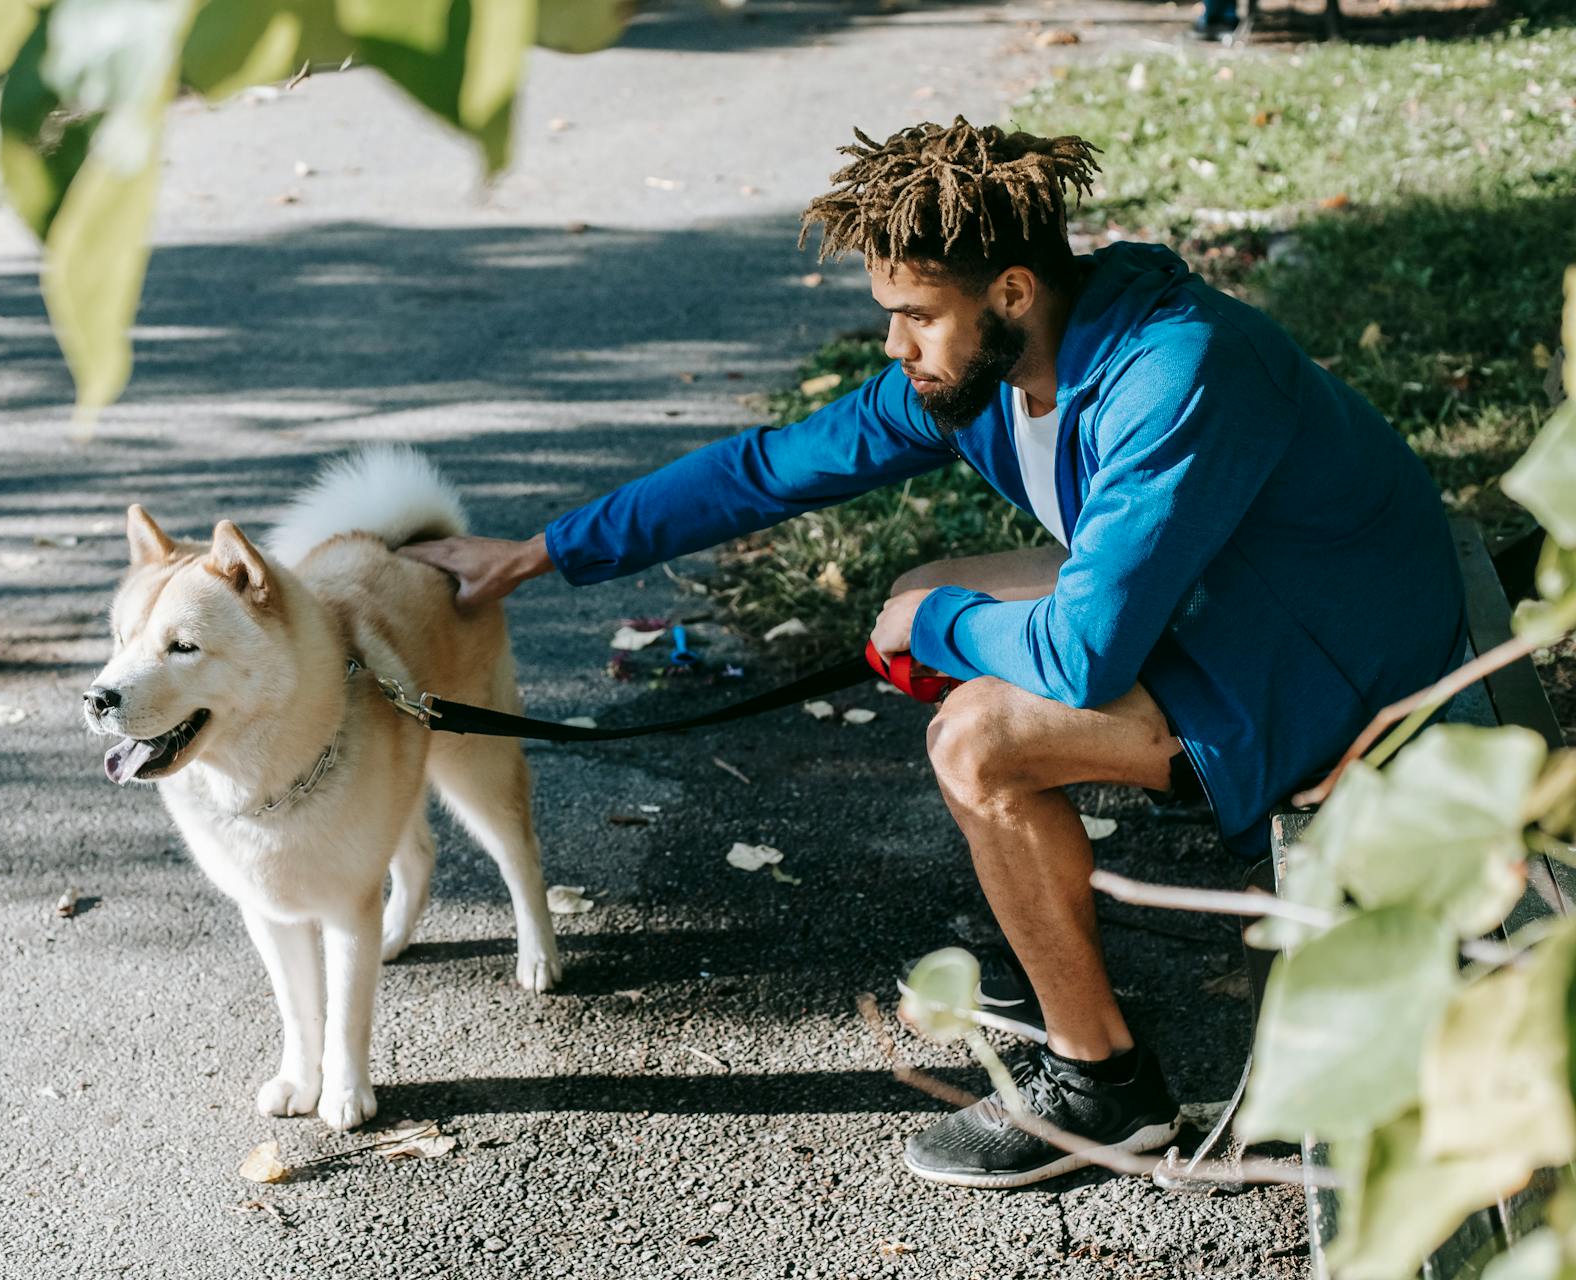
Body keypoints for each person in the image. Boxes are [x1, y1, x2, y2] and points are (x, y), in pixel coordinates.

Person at [400, 118, 1466, 1188]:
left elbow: (1087, 656)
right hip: (1242, 598)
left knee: (977, 736)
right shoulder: (992, 374)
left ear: (1009, 292)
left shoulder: (1175, 371)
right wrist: (539, 554)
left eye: (917, 317)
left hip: (1344, 670)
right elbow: (770, 467)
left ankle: (1104, 1086)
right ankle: (1046, 919)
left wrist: (941, 627)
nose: (898, 348)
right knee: (925, 591)